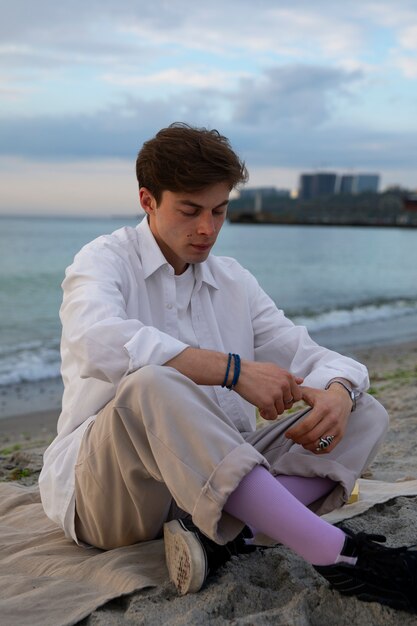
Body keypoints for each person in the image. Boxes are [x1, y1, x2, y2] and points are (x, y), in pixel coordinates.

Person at [40, 123, 417, 614]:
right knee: (152, 380)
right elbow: (96, 341)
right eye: (190, 210)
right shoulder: (104, 260)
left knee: (365, 412)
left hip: (216, 482)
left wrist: (339, 391)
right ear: (148, 200)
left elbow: (314, 356)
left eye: (219, 211)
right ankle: (339, 555)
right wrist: (233, 371)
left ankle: (218, 540)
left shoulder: (232, 279)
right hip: (113, 494)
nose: (207, 229)